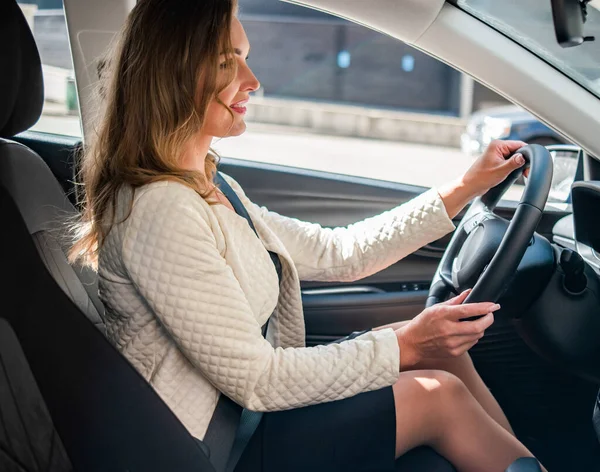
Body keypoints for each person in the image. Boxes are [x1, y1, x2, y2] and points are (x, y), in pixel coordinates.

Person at [69, 0, 545, 471]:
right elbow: (258, 378)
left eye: (245, 56)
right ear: (173, 73)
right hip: (214, 445)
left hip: (247, 413)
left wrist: (465, 187)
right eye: (225, 62)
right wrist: (406, 345)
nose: (252, 81)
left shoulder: (209, 187)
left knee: (446, 359)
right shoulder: (159, 209)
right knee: (437, 395)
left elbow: (339, 252)